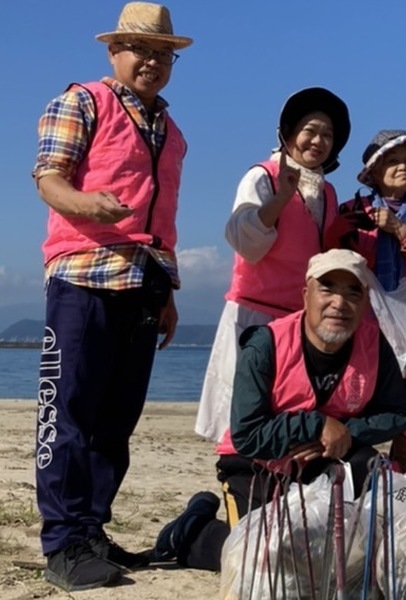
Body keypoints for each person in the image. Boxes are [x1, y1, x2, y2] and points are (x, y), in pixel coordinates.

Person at [30, 2, 191, 591]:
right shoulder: (82, 102)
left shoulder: (171, 130)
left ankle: (91, 529)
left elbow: (163, 218)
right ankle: (63, 542)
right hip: (84, 273)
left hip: (145, 280)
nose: (152, 61)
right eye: (141, 49)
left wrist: (168, 291)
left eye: (163, 53)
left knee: (116, 420)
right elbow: (48, 176)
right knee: (69, 413)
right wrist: (86, 204)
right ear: (114, 51)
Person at [154, 249, 406, 571]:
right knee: (262, 558)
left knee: (353, 540)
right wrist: (316, 425)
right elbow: (247, 434)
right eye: (327, 288)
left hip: (326, 460)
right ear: (306, 295)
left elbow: (398, 412)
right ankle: (193, 530)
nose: (339, 303)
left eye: (353, 293)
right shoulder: (265, 344)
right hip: (257, 464)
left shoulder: (374, 344)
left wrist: (344, 433)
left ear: (365, 303)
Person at [194, 87, 350, 442]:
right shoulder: (262, 176)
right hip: (254, 315)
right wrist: (280, 198)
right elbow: (243, 239)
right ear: (289, 133)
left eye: (328, 135)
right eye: (310, 130)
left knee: (285, 411)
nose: (318, 141)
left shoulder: (327, 193)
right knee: (242, 414)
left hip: (300, 318)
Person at [332, 129, 406, 364]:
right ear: (375, 172)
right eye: (393, 161)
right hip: (363, 319)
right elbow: (337, 261)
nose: (403, 166)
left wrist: (399, 229)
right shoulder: (352, 210)